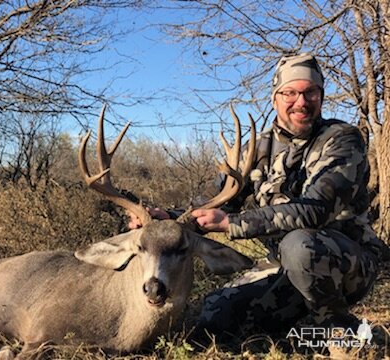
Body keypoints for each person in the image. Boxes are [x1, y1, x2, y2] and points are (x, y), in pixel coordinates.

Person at [128, 53, 384, 338]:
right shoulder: (257, 149)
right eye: (290, 92)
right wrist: (169, 218)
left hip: (347, 264)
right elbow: (216, 201)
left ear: (321, 96)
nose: (301, 102)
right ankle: (296, 320)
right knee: (215, 315)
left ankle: (338, 330)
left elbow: (314, 211)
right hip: (282, 265)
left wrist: (231, 224)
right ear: (275, 98)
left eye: (310, 92)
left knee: (299, 245)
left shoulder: (342, 139)